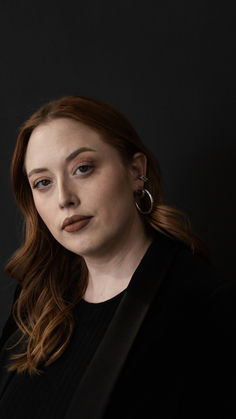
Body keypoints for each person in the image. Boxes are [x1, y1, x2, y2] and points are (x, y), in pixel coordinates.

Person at [0, 95, 234, 419]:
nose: (64, 198)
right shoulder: (33, 301)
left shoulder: (202, 305)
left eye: (82, 168)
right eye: (43, 183)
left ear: (136, 171)